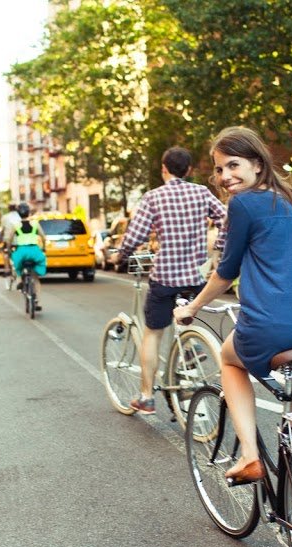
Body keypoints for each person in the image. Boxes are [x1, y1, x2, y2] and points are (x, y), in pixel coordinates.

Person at [173, 126, 292, 486]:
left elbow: (224, 273)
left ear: (258, 165)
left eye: (233, 165)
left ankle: (249, 455)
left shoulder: (243, 204)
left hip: (269, 327)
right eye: (218, 169)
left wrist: (191, 308)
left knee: (230, 360)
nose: (225, 176)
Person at [110, 146, 226, 415]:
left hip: (164, 277)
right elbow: (226, 218)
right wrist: (219, 247)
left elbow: (136, 234)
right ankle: (189, 346)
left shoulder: (154, 197)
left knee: (153, 333)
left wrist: (121, 255)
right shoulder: (201, 192)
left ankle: (147, 396)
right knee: (184, 317)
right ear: (189, 171)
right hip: (195, 277)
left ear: (164, 169)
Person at [11, 204, 47, 310]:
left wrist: (9, 248)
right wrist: (43, 248)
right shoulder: (35, 224)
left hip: (21, 251)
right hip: (35, 251)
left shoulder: (16, 225)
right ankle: (38, 302)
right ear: (29, 213)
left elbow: (8, 239)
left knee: (17, 265)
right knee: (35, 278)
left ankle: (19, 281)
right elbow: (43, 237)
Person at [0, 203, 24, 286]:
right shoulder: (20, 216)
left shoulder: (5, 217)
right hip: (20, 240)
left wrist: (0, 238)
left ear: (8, 209)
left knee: (5, 252)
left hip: (9, 240)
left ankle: (7, 269)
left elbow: (3, 230)